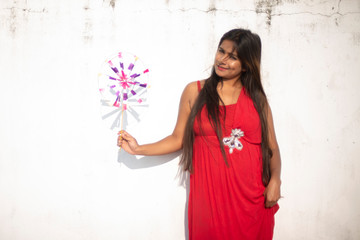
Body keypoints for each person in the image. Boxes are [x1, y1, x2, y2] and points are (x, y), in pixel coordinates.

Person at [117, 28, 281, 240]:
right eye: (221, 51)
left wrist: (276, 179)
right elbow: (177, 139)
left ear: (246, 64)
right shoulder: (195, 92)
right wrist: (139, 149)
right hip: (210, 200)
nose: (222, 60)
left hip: (251, 200)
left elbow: (272, 147)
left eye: (232, 57)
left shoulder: (257, 100)